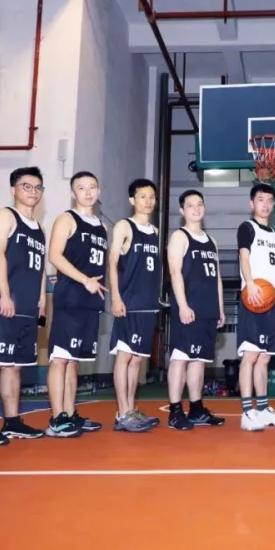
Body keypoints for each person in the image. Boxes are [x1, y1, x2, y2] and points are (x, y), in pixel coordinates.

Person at [0, 167, 48, 446]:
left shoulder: (39, 228)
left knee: (14, 366)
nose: (33, 191)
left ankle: (13, 421)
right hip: (3, 303)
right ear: (13, 189)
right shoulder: (5, 216)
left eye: (38, 187)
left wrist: (42, 301)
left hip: (28, 307)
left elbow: (41, 269)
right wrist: (4, 295)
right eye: (26, 186)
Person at [45, 171, 107, 437]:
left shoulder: (102, 227)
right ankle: (57, 418)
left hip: (90, 300)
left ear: (98, 192)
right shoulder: (66, 219)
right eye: (81, 188)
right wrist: (84, 280)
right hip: (71, 296)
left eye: (92, 187)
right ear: (73, 193)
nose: (88, 192)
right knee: (60, 358)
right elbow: (54, 255)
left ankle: (70, 414)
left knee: (73, 361)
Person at [165, 190, 226, 430]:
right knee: (181, 358)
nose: (196, 208)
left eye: (200, 204)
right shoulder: (179, 237)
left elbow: (217, 277)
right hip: (188, 307)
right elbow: (174, 272)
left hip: (207, 308)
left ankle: (196, 408)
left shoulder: (212, 241)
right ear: (182, 211)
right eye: (190, 205)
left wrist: (220, 308)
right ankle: (175, 411)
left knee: (200, 360)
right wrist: (182, 305)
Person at [236, 183, 275, 432]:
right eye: (261, 200)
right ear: (252, 203)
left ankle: (262, 409)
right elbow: (244, 256)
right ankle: (247, 412)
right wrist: (249, 283)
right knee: (250, 355)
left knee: (265, 356)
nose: (266, 205)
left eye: (270, 201)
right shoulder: (247, 228)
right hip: (253, 298)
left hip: (271, 300)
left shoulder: (272, 235)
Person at [107, 178, 162, 433]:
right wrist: (116, 297)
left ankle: (131, 408)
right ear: (132, 200)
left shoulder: (155, 231)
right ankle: (122, 413)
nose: (148, 201)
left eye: (152, 197)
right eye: (143, 196)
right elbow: (112, 263)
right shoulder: (124, 226)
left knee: (137, 360)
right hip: (128, 302)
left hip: (148, 303)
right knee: (125, 355)